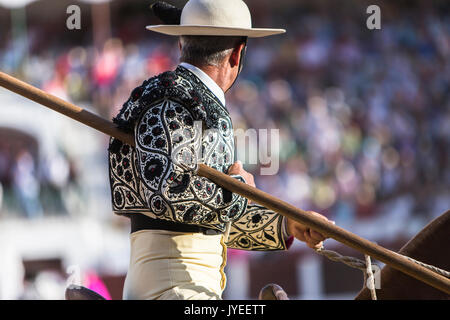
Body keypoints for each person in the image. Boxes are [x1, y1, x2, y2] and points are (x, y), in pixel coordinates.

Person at [108, 0, 331, 300]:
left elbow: (203, 217)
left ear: (181, 43)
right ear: (238, 54)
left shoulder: (180, 98)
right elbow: (167, 193)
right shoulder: (174, 100)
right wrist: (238, 190)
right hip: (172, 291)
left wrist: (286, 223)